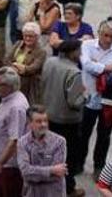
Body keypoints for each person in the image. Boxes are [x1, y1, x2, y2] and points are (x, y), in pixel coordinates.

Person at [79, 22, 112, 176]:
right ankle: (78, 163)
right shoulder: (87, 45)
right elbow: (86, 65)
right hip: (89, 95)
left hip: (109, 99)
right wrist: (107, 68)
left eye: (111, 36)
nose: (108, 39)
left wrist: (98, 67)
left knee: (104, 135)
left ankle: (99, 166)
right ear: (99, 33)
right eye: (105, 35)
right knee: (83, 132)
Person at [40, 40, 86, 195]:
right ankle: (68, 188)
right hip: (67, 121)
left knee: (49, 153)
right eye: (79, 51)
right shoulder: (74, 72)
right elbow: (74, 101)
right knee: (68, 156)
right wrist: (85, 96)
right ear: (72, 52)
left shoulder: (50, 62)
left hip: (48, 115)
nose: (81, 54)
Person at [0, 67, 28, 197]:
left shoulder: (16, 107)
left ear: (10, 86)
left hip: (7, 167)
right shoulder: (9, 100)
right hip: (0, 164)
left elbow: (14, 141)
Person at [17, 106, 69, 197]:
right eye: (38, 121)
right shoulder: (22, 143)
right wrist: (51, 170)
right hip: (32, 193)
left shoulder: (59, 142)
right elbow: (25, 172)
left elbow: (58, 175)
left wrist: (34, 173)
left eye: (45, 120)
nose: (43, 124)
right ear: (29, 123)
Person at [8, 23, 47, 104]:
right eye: (25, 36)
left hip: (30, 87)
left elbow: (33, 68)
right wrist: (15, 67)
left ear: (37, 37)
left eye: (31, 36)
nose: (27, 38)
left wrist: (22, 69)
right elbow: (7, 59)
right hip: (12, 82)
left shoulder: (41, 51)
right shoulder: (18, 44)